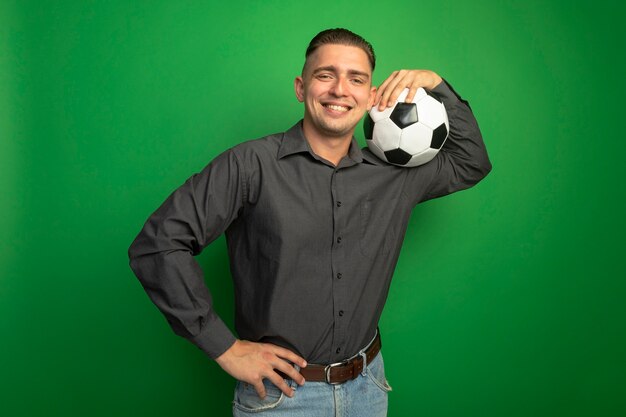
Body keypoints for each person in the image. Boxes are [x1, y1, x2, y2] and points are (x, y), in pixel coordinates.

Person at [128, 28, 491, 416]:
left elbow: (471, 161)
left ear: (372, 97)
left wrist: (435, 84)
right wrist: (224, 347)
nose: (339, 89)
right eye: (325, 75)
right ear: (302, 88)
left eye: (356, 79)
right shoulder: (249, 165)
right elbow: (158, 244)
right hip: (281, 399)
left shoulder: (394, 173)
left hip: (368, 387)